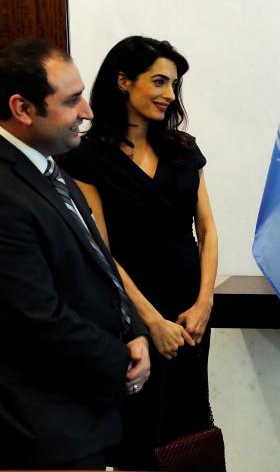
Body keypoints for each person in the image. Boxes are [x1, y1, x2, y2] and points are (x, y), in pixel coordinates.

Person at [61, 36, 218, 470]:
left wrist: (205, 302)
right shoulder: (86, 155)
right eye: (160, 82)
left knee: (189, 434)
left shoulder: (183, 149)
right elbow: (101, 248)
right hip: (130, 319)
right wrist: (151, 322)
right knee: (138, 439)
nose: (170, 94)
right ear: (124, 81)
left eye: (175, 85)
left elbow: (206, 230)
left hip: (191, 317)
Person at [0, 38, 150, 470]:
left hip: (87, 414)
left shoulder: (48, 167)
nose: (87, 110)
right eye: (71, 100)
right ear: (22, 108)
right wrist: (122, 359)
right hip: (40, 429)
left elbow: (100, 261)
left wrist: (134, 330)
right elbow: (35, 316)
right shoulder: (3, 191)